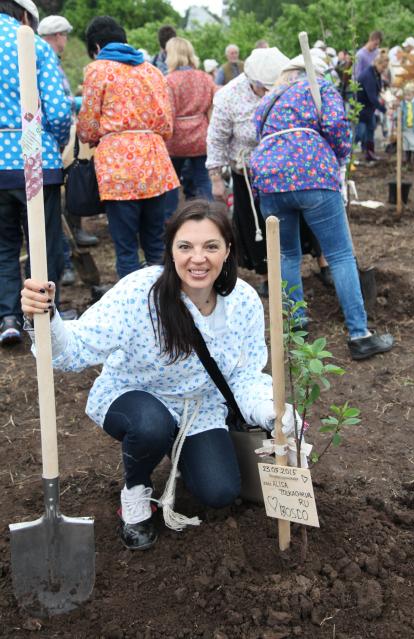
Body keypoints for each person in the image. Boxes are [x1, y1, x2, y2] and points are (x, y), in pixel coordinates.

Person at [21, 200, 293, 549]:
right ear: (170, 250)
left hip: (199, 408)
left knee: (220, 492)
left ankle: (181, 452)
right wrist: (44, 317)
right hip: (136, 397)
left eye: (211, 246)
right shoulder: (139, 294)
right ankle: (135, 491)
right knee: (152, 426)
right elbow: (71, 352)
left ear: (228, 250)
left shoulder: (244, 301)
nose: (198, 258)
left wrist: (271, 410)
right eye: (185, 247)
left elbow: (243, 376)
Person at [249, 55, 394, 360]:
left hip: (269, 178)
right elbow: (336, 125)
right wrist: (340, 158)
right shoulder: (319, 87)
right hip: (313, 172)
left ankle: (297, 324)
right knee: (340, 254)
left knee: (286, 254)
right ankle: (359, 335)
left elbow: (256, 134)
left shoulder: (269, 98)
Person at [76, 16, 179, 279]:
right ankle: (162, 305)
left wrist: (96, 135)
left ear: (96, 47)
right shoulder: (153, 71)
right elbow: (167, 124)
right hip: (155, 163)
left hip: (118, 168)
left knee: (125, 249)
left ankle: (130, 313)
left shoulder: (98, 70)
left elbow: (87, 125)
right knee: (156, 244)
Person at [0, 0, 72, 345]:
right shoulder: (31, 43)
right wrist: (53, 145)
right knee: (43, 241)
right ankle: (43, 316)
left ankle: (8, 317)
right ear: (25, 15)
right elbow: (58, 110)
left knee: (3, 244)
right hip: (32, 155)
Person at [207, 47, 289, 297]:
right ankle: (266, 275)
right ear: (252, 82)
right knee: (256, 227)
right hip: (247, 172)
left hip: (285, 170)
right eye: (263, 88)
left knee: (296, 220)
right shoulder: (229, 96)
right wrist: (216, 178)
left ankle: (319, 264)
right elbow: (216, 138)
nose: (268, 94)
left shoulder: (287, 88)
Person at [37, 14, 99, 288]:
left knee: (59, 200)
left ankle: (70, 247)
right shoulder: (44, 57)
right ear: (57, 36)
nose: (65, 41)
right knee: (49, 210)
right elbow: (56, 105)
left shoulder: (44, 58)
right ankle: (63, 261)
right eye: (64, 36)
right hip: (44, 142)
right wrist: (78, 102)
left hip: (36, 144)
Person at [164, 37, 216, 219]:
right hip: (201, 136)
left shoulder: (168, 81)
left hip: (176, 139)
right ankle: (210, 218)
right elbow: (212, 106)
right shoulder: (205, 78)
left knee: (171, 182)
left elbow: (167, 112)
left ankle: (169, 221)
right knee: (203, 180)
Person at [356, 51, 389, 161]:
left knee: (371, 129)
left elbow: (379, 90)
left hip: (369, 109)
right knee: (359, 133)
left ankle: (370, 154)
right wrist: (384, 110)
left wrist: (388, 99)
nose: (384, 70)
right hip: (360, 108)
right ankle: (349, 157)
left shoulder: (376, 74)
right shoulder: (368, 75)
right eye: (383, 67)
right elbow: (372, 97)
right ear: (377, 64)